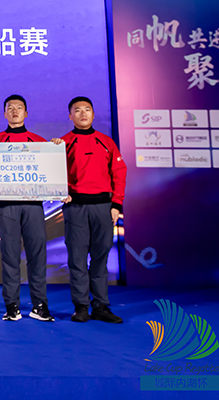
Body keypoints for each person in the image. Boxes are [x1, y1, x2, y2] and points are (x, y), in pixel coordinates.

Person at [0, 94, 54, 322]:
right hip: (7, 206)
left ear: (26, 113)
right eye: (10, 108)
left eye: (19, 108)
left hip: (33, 205)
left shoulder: (40, 142)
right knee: (10, 256)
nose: (15, 111)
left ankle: (39, 305)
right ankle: (11, 305)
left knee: (37, 255)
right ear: (4, 113)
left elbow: (50, 172)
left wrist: (54, 150)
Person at [57, 96, 127, 324]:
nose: (83, 114)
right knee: (77, 259)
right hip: (75, 207)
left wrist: (116, 204)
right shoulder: (62, 143)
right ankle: (81, 306)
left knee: (100, 258)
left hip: (103, 208)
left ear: (93, 114)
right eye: (77, 110)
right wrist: (60, 191)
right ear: (70, 116)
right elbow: (53, 173)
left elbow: (119, 173)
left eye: (87, 109)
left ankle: (101, 306)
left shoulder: (106, 142)